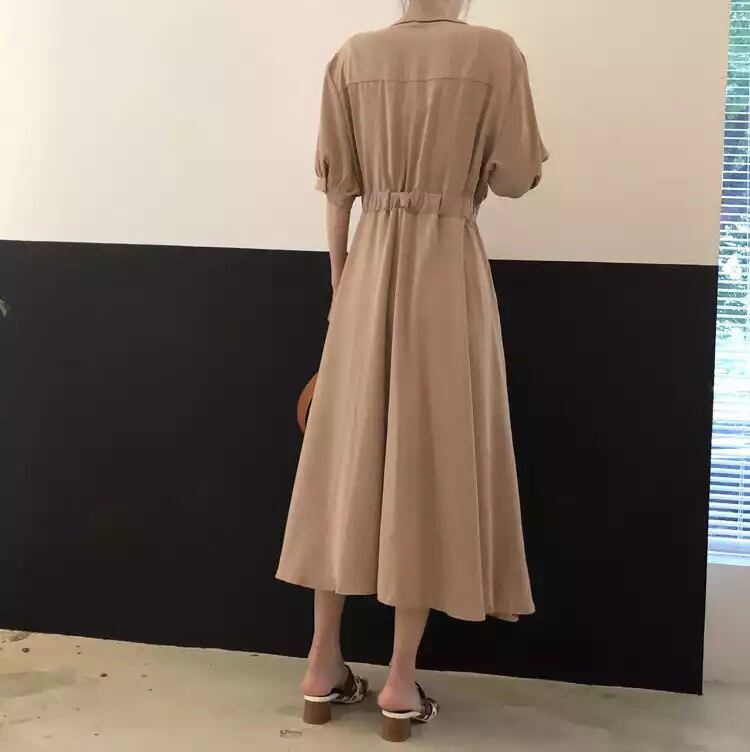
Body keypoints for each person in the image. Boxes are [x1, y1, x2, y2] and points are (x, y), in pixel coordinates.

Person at [276, 0, 548, 742]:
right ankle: (399, 682)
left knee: (344, 467)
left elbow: (339, 195)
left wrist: (342, 305)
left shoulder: (353, 57)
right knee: (429, 466)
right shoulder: (495, 52)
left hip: (366, 277)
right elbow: (517, 177)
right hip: (449, 278)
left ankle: (321, 664)